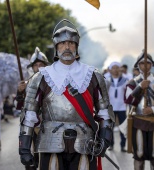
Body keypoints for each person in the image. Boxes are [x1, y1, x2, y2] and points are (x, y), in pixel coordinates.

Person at [18, 19, 115, 170]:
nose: (67, 47)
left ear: (76, 46)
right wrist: (24, 148)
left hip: (85, 142)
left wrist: (105, 139)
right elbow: (29, 113)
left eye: (71, 43)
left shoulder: (93, 75)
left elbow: (105, 112)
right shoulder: (42, 77)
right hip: (49, 142)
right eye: (62, 43)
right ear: (56, 47)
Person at [15, 47, 50, 170]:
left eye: (41, 64)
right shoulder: (28, 83)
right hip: (33, 125)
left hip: (51, 125)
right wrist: (20, 93)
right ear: (32, 67)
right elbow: (19, 107)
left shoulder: (53, 82)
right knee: (32, 159)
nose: (39, 67)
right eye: (36, 65)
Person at [124, 52, 154, 170]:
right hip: (138, 122)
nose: (145, 66)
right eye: (142, 63)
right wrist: (140, 87)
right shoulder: (132, 82)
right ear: (138, 65)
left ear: (152, 65)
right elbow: (128, 100)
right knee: (138, 156)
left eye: (148, 63)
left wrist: (152, 109)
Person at [106, 61, 128, 152]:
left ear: (120, 69)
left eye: (117, 68)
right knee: (110, 127)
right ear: (110, 70)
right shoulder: (106, 80)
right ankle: (111, 144)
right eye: (113, 68)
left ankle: (123, 145)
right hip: (111, 107)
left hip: (122, 107)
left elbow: (129, 93)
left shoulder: (125, 80)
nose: (115, 70)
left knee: (123, 127)